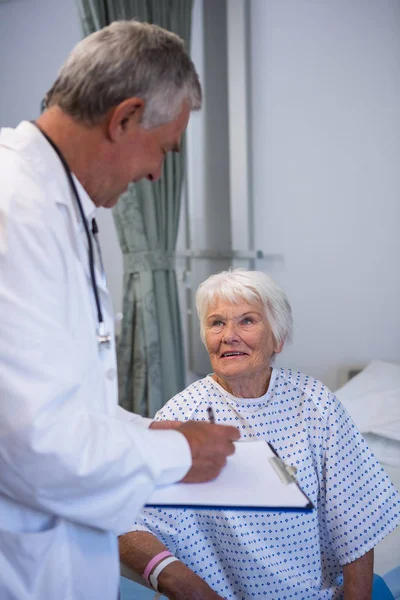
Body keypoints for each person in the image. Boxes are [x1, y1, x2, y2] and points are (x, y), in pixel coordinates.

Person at [0, 21, 240, 600]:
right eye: (164, 148)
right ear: (126, 117)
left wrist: (149, 428)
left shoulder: (58, 205)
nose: (158, 173)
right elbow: (36, 446)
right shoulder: (16, 211)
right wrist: (179, 450)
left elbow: (58, 395)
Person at [119, 268, 400, 600]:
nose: (229, 335)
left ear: (278, 339)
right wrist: (187, 588)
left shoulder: (314, 404)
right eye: (216, 323)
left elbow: (355, 521)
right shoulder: (183, 414)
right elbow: (126, 519)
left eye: (247, 321)